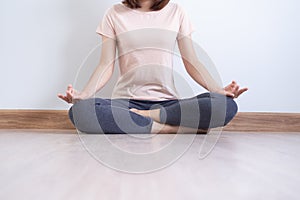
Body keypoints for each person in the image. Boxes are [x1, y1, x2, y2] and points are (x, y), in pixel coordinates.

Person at [58, 0, 248, 134]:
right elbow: (105, 64)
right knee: (80, 112)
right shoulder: (114, 13)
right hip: (126, 103)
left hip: (168, 103)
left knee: (226, 106)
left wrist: (217, 90)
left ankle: (146, 117)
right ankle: (168, 129)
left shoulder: (176, 11)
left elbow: (192, 61)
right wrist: (83, 95)